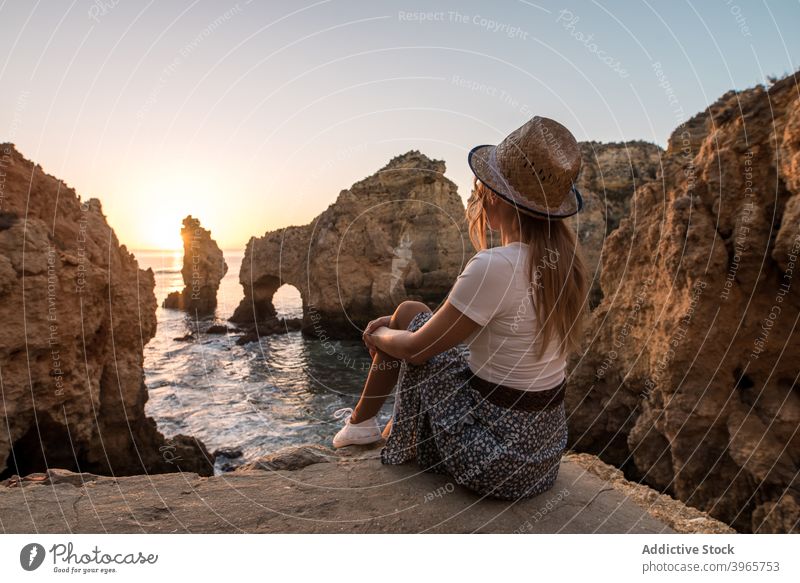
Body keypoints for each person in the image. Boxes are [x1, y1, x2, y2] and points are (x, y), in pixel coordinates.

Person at [331, 115, 589, 500]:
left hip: (495, 461)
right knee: (412, 312)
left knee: (408, 321)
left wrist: (378, 334)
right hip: (542, 458)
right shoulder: (566, 263)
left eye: (481, 187)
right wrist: (401, 328)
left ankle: (361, 424)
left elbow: (417, 349)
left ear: (496, 197)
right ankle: (371, 426)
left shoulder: (494, 265)